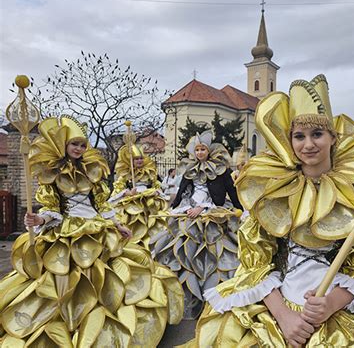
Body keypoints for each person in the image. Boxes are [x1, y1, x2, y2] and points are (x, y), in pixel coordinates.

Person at [184, 75, 354, 347]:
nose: (308, 144)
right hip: (275, 307)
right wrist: (284, 317)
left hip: (338, 308)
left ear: (333, 137)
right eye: (299, 136)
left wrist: (331, 303)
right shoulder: (273, 191)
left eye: (317, 134)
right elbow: (255, 264)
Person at [0, 116, 183, 346]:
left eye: (83, 144)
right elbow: (52, 208)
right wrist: (39, 218)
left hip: (97, 227)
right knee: (63, 278)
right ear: (64, 145)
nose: (79, 149)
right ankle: (71, 322)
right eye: (74, 144)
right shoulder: (52, 173)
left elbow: (101, 204)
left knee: (113, 273)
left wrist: (118, 224)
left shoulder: (92, 170)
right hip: (67, 231)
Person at [151, 130, 243, 320]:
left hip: (212, 210)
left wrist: (237, 208)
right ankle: (187, 294)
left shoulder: (221, 169)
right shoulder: (190, 169)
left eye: (203, 149)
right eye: (197, 150)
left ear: (209, 151)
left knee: (216, 251)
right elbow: (183, 191)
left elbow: (230, 192)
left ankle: (215, 296)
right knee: (182, 248)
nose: (200, 153)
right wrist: (175, 208)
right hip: (189, 210)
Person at [109, 143, 168, 249]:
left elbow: (156, 185)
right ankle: (134, 243)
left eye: (141, 158)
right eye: (136, 159)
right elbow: (118, 190)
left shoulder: (150, 172)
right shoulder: (125, 174)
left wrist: (156, 192)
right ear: (131, 161)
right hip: (132, 203)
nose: (139, 161)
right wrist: (129, 193)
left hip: (150, 202)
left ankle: (151, 246)